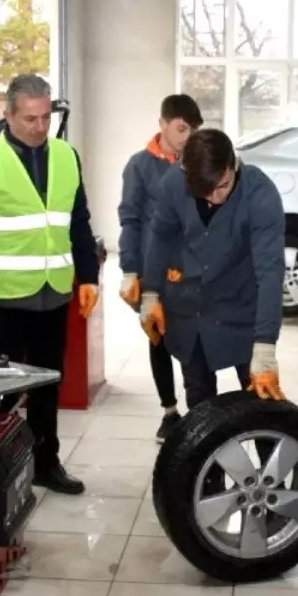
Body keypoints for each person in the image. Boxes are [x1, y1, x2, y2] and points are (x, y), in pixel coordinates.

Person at [0, 74, 98, 495]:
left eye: (45, 117)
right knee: (3, 390)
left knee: (48, 384)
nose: (39, 126)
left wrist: (88, 275)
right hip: (5, 299)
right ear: (8, 115)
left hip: (53, 294)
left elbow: (78, 221)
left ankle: (45, 463)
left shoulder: (67, 156)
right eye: (30, 118)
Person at [139, 128, 286, 410]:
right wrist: (151, 293)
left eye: (223, 186)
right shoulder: (174, 183)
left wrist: (266, 345)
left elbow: (270, 270)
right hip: (190, 313)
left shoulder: (259, 193)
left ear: (235, 165)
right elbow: (160, 237)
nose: (216, 198)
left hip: (241, 309)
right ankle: (210, 456)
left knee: (262, 404)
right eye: (205, 191)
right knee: (200, 407)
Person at [117, 94, 204, 442]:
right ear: (163, 124)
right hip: (153, 271)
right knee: (159, 339)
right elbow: (130, 219)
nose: (187, 136)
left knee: (191, 340)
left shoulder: (197, 164)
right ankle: (170, 412)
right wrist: (129, 270)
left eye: (193, 130)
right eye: (182, 128)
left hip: (190, 271)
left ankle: (200, 409)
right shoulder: (139, 166)